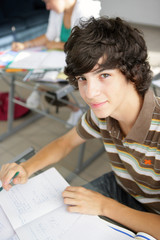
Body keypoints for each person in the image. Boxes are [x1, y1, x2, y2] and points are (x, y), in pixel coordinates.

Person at [1, 16, 160, 239]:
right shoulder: (102, 114)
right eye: (82, 79)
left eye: (104, 75)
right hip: (123, 187)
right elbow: (65, 143)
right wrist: (27, 168)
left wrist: (105, 206)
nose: (90, 93)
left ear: (133, 73)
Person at [12, 0, 101, 127]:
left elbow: (86, 45)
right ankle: (42, 90)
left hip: (82, 60)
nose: (47, 7)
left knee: (51, 85)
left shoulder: (85, 9)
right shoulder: (58, 10)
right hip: (61, 57)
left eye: (48, 2)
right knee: (42, 73)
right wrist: (25, 45)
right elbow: (49, 37)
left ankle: (73, 107)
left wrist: (58, 45)